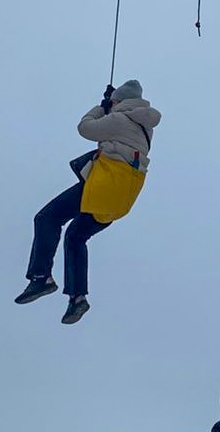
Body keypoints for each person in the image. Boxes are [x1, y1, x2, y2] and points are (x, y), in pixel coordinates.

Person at [15, 81, 161, 325]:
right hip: (122, 197)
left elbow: (85, 129)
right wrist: (110, 107)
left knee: (47, 218)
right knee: (75, 236)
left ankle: (41, 278)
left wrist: (100, 107)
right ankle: (77, 298)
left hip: (104, 184)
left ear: (119, 102)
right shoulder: (145, 126)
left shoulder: (119, 120)